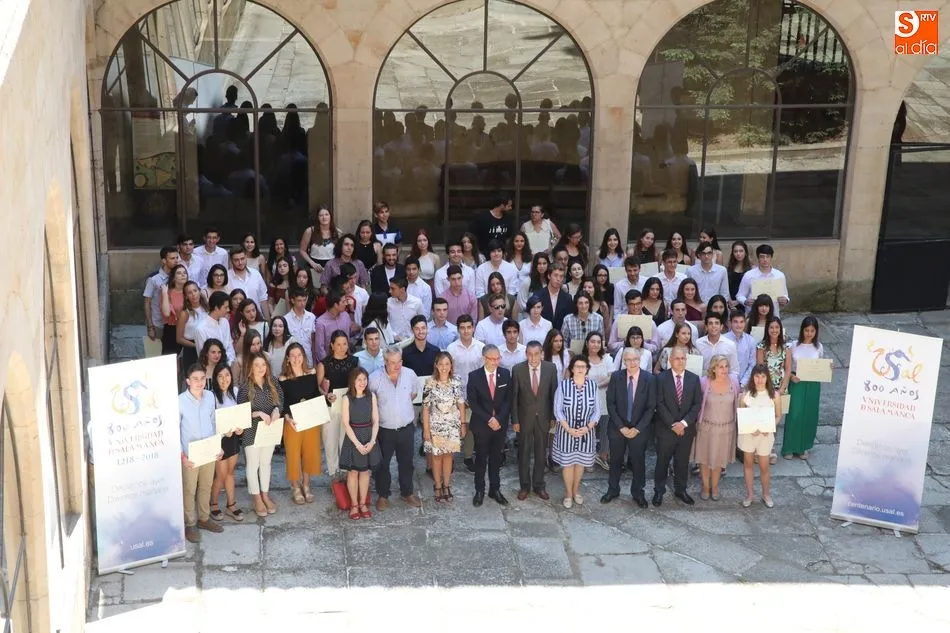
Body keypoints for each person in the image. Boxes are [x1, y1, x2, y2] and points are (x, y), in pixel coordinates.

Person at [601, 347, 656, 507]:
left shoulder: (650, 379)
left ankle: (638, 493)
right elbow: (610, 403)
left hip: (640, 429)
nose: (632, 363)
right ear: (624, 361)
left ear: (640, 361)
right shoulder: (616, 377)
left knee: (638, 462)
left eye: (635, 359)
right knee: (616, 461)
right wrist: (621, 427)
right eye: (629, 360)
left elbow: (651, 407)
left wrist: (637, 429)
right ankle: (613, 489)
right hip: (618, 428)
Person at [369, 347, 422, 509]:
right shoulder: (374, 378)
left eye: (399, 361)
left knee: (406, 462)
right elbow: (370, 401)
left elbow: (414, 394)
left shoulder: (410, 374)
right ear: (385, 362)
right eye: (392, 362)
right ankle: (383, 495)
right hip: (384, 430)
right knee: (382, 464)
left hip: (406, 428)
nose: (397, 365)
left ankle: (407, 493)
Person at [178, 364, 225, 543]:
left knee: (206, 485)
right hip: (190, 453)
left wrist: (218, 446)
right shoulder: (180, 400)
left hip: (208, 449)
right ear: (188, 381)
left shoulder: (210, 396)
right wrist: (181, 455)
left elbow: (214, 422)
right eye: (195, 379)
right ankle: (190, 523)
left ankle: (204, 519)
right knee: (189, 489)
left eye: (202, 379)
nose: (199, 382)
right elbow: (175, 429)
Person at [652, 347, 702, 506]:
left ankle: (681, 490)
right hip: (666, 429)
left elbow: (696, 405)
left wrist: (683, 424)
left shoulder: (694, 379)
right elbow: (658, 403)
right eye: (677, 358)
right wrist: (673, 424)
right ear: (669, 360)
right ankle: (659, 491)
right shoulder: (660, 379)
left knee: (682, 462)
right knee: (662, 461)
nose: (680, 361)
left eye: (683, 359)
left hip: (686, 430)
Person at [237, 353, 285, 517]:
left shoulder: (273, 382)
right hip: (251, 431)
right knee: (253, 465)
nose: (260, 368)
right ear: (250, 367)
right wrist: (257, 413)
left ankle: (265, 494)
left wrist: (277, 409)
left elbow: (280, 400)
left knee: (266, 463)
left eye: (263, 365)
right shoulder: (245, 387)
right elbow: (241, 412)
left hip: (269, 430)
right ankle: (256, 497)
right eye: (257, 365)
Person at [511, 342, 557, 500]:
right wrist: (515, 419)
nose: (533, 358)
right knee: (523, 452)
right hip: (524, 419)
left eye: (536, 354)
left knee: (541, 452)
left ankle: (539, 485)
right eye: (530, 354)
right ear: (525, 354)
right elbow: (514, 397)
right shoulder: (517, 370)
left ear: (542, 353)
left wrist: (553, 417)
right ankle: (525, 486)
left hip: (543, 418)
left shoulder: (551, 369)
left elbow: (554, 395)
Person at [553, 355, 600, 508]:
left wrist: (587, 427)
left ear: (587, 369)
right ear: (572, 369)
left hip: (586, 432)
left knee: (580, 463)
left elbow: (597, 411)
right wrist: (568, 429)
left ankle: (576, 491)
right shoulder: (564, 385)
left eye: (583, 366)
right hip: (567, 431)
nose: (580, 369)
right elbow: (558, 410)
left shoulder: (593, 386)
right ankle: (568, 493)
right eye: (577, 366)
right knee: (568, 464)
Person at [467, 345, 511, 507]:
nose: (495, 362)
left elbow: (508, 400)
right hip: (482, 424)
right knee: (480, 458)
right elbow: (473, 403)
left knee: (496, 458)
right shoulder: (474, 376)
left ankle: (495, 489)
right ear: (484, 358)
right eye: (492, 359)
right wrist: (489, 419)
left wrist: (498, 419)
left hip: (500, 425)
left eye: (497, 358)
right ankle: (479, 490)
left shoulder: (505, 374)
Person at [279, 343, 322, 505]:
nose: (296, 358)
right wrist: (286, 416)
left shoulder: (311, 373)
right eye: (293, 356)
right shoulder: (283, 379)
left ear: (303, 356)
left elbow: (316, 395)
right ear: (288, 359)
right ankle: (295, 486)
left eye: (299, 355)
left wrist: (326, 399)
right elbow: (282, 402)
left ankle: (306, 484)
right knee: (293, 454)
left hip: (310, 421)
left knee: (309, 453)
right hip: (293, 422)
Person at [693, 354, 740, 501]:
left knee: (719, 459)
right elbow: (696, 402)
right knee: (704, 458)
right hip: (706, 427)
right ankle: (705, 486)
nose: (724, 369)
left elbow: (739, 401)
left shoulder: (734, 381)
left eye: (726, 366)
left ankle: (715, 486)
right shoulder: (704, 382)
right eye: (720, 366)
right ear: (713, 368)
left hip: (726, 428)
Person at [421, 352, 465, 503]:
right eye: (441, 364)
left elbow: (461, 404)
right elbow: (425, 408)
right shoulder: (430, 382)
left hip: (452, 426)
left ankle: (446, 485)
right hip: (435, 426)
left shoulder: (457, 381)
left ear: (451, 365)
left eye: (447, 364)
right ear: (436, 365)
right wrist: (426, 429)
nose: (444, 367)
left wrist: (463, 425)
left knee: (448, 457)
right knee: (436, 457)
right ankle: (437, 486)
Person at [340, 367, 382, 519]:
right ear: (353, 381)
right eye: (359, 380)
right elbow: (346, 423)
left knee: (365, 472)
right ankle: (354, 505)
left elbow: (376, 420)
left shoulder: (371, 397)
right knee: (353, 473)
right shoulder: (346, 399)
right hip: (354, 439)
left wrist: (372, 441)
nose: (362, 383)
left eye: (365, 379)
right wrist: (357, 444)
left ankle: (363, 503)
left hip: (368, 436)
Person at [784, 316, 828, 461]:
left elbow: (820, 366)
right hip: (797, 382)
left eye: (812, 331)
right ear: (802, 330)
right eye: (806, 330)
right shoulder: (793, 346)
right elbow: (785, 367)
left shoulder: (819, 347)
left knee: (809, 414)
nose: (809, 333)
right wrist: (791, 377)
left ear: (816, 332)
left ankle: (803, 447)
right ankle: (789, 447)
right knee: (794, 414)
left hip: (813, 384)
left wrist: (828, 369)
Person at [317, 330, 360, 476]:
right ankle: (333, 474)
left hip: (349, 407)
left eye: (345, 344)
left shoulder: (354, 362)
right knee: (330, 442)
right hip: (330, 407)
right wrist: (326, 394)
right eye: (339, 344)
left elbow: (358, 383)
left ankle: (346, 472)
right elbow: (317, 387)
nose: (342, 347)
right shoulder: (324, 364)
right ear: (332, 345)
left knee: (346, 440)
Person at [447, 315, 485, 472]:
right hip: (455, 395)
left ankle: (468, 456)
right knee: (453, 427)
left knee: (470, 428)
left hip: (475, 395)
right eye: (462, 328)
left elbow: (484, 373)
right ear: (458, 330)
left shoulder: (481, 347)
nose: (466, 331)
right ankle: (450, 458)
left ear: (473, 328)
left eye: (469, 327)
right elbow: (448, 373)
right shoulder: (451, 349)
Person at [208, 364, 243, 523]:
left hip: (233, 439)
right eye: (220, 376)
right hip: (219, 440)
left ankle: (231, 504)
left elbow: (239, 415)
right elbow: (209, 422)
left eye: (227, 375)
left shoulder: (235, 392)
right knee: (220, 475)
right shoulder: (211, 396)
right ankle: (213, 504)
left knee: (230, 472)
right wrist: (223, 432)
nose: (224, 379)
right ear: (215, 378)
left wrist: (240, 429)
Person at [756, 316, 790, 464]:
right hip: (764, 387)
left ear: (780, 329)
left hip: (780, 389)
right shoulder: (761, 347)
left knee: (775, 419)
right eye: (771, 327)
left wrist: (781, 388)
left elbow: (788, 370)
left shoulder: (786, 348)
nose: (774, 330)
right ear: (767, 329)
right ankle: (759, 449)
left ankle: (771, 449)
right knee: (762, 418)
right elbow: (759, 368)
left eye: (777, 327)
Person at [583, 333, 613, 472]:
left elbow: (611, 376)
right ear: (587, 343)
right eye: (592, 341)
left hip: (605, 397)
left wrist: (596, 385)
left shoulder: (606, 358)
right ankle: (588, 457)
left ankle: (603, 455)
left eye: (598, 342)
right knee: (589, 429)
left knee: (606, 429)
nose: (595, 344)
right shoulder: (582, 360)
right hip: (586, 399)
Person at [736, 244, 790, 317]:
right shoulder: (749, 275)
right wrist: (745, 301)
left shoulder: (779, 275)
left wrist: (785, 300)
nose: (765, 260)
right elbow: (740, 295)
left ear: (771, 258)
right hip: (753, 315)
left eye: (768, 257)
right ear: (758, 258)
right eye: (762, 257)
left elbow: (785, 295)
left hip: (773, 316)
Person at [143, 246, 179, 344]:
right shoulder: (153, 279)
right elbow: (147, 303)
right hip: (158, 324)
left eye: (177, 258)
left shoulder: (179, 276)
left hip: (175, 323)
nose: (176, 261)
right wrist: (150, 327)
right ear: (163, 260)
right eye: (172, 258)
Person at [299, 205, 342, 276]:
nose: (324, 217)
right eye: (321, 215)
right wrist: (312, 263)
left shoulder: (338, 232)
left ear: (330, 216)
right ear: (317, 217)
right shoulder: (310, 231)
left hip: (332, 268)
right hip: (314, 267)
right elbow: (302, 250)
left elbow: (341, 252)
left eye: (326, 214)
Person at [228, 248, 270, 320]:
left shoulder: (255, 274)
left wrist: (268, 319)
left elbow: (263, 298)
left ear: (246, 257)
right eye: (236, 260)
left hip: (257, 319)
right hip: (237, 320)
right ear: (231, 261)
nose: (240, 262)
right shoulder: (227, 277)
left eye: (242, 259)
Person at [195, 291, 236, 364]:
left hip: (229, 364)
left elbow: (229, 345)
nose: (228, 310)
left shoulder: (225, 322)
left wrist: (230, 363)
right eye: (225, 307)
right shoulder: (201, 329)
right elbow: (203, 356)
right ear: (216, 308)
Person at [469, 194, 515, 258]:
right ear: (502, 205)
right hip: (483, 255)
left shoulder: (508, 219)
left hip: (501, 256)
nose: (510, 208)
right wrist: (478, 253)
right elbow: (473, 237)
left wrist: (507, 252)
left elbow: (508, 238)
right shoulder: (482, 217)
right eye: (509, 206)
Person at [314, 289, 355, 362]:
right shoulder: (321, 323)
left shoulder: (345, 316)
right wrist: (327, 365)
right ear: (336, 305)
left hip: (347, 359)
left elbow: (349, 334)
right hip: (330, 363)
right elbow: (320, 349)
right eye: (343, 301)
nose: (346, 303)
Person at [176, 281, 206, 373]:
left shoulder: (206, 308)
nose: (193, 294)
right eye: (190, 292)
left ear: (199, 291)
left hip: (207, 346)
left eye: (195, 291)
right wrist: (196, 345)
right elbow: (179, 338)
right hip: (192, 349)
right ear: (186, 296)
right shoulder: (185, 313)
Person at [696, 313, 739, 377]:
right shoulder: (698, 343)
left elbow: (734, 370)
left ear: (721, 326)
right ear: (706, 327)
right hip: (703, 381)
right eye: (710, 323)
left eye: (716, 323)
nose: (714, 326)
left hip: (723, 381)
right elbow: (696, 367)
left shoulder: (730, 345)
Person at [534, 264, 573, 331]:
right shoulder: (538, 295)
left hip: (560, 336)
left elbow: (568, 320)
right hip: (541, 334)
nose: (558, 279)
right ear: (549, 276)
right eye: (555, 275)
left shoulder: (567, 298)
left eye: (561, 276)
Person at [160, 265, 188, 354]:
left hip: (189, 328)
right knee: (171, 363)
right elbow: (166, 313)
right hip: (172, 330)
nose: (183, 275)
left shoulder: (191, 291)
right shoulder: (168, 293)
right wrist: (164, 293)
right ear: (173, 278)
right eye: (179, 273)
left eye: (184, 273)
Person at [284, 288, 317, 367]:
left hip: (309, 360)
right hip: (293, 362)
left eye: (304, 300)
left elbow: (313, 341)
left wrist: (315, 360)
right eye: (299, 300)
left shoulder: (311, 317)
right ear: (292, 300)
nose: (302, 303)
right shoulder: (286, 319)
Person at [724, 310, 756, 386]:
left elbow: (752, 364)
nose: (739, 325)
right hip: (725, 382)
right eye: (736, 322)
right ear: (730, 323)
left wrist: (743, 383)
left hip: (744, 383)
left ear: (745, 323)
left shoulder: (751, 340)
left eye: (741, 322)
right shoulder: (723, 339)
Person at [387, 277, 424, 341]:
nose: (389, 291)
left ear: (402, 289)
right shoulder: (388, 303)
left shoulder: (417, 302)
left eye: (393, 289)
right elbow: (386, 323)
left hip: (413, 340)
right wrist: (395, 336)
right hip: (394, 341)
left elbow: (422, 321)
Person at [727, 240, 752, 306]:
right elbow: (726, 287)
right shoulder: (728, 269)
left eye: (741, 251)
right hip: (730, 303)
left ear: (745, 252)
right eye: (735, 251)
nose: (738, 254)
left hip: (746, 303)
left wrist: (738, 301)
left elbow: (751, 289)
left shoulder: (751, 270)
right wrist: (730, 302)